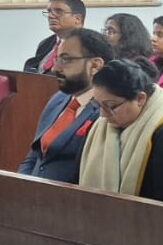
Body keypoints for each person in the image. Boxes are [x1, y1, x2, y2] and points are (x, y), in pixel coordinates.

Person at [78, 59, 163, 208]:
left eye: (111, 106)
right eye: (98, 105)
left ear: (140, 99)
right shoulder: (100, 127)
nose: (103, 114)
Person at [19, 29, 113, 183]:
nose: (55, 68)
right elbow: (34, 155)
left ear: (95, 65)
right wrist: (21, 186)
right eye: (57, 59)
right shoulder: (58, 99)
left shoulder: (107, 112)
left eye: (66, 59)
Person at [26, 0, 86, 74]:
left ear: (77, 18)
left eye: (58, 11)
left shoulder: (88, 45)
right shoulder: (45, 44)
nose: (50, 16)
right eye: (49, 11)